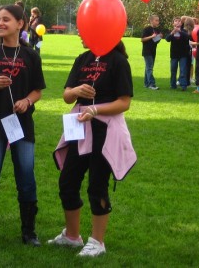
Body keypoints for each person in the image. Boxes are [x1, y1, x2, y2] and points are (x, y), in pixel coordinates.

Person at [48, 40, 135, 257]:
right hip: (79, 127)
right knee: (67, 181)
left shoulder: (118, 61)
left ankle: (97, 242)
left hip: (106, 130)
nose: (81, 34)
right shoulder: (82, 59)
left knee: (97, 185)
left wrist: (95, 109)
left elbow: (124, 102)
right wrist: (76, 90)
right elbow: (67, 96)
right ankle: (72, 236)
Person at [0, 4, 46, 247]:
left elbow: (37, 91)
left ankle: (29, 232)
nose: (0, 24)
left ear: (20, 24)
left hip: (22, 125)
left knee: (26, 176)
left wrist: (26, 101)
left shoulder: (31, 56)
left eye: (6, 20)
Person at [165, 17, 189, 90]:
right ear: (173, 23)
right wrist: (172, 33)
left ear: (181, 24)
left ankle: (183, 85)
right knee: (173, 70)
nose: (177, 22)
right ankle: (173, 85)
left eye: (179, 21)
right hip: (174, 54)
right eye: (176, 21)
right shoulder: (171, 31)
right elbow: (167, 39)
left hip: (183, 54)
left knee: (182, 70)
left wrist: (180, 31)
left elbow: (187, 37)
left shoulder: (184, 31)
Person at [141, 14, 162, 90]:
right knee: (149, 68)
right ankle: (151, 84)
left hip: (153, 51)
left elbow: (155, 42)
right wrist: (151, 36)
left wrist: (159, 37)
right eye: (156, 20)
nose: (158, 22)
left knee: (148, 67)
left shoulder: (157, 30)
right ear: (151, 21)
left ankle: (146, 83)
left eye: (158, 20)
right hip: (147, 51)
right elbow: (142, 39)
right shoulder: (147, 29)